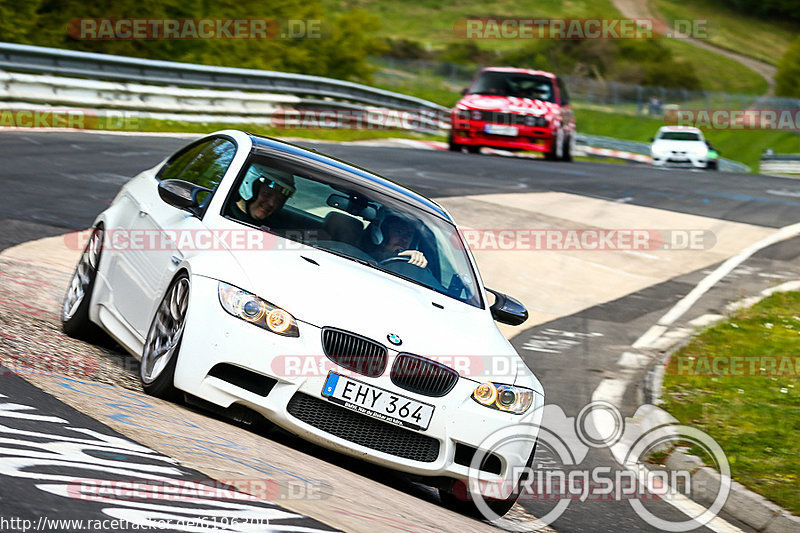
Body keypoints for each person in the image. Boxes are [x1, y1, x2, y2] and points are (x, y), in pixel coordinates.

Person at [230, 164, 295, 226]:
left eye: (278, 200)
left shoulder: (276, 229)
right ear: (248, 189)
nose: (272, 204)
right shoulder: (222, 217)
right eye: (267, 194)